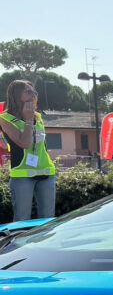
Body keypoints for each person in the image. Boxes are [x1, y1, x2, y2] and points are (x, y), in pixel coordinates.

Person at [0, 80, 56, 221]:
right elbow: (24, 143)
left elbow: (41, 144)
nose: (33, 95)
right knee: (21, 220)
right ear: (16, 94)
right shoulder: (4, 118)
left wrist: (32, 118)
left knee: (48, 220)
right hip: (22, 175)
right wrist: (28, 120)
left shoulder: (38, 116)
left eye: (35, 92)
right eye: (28, 91)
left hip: (47, 172)